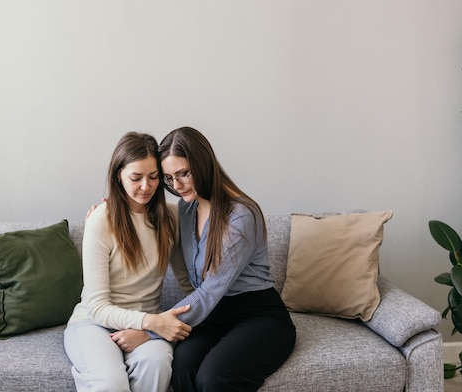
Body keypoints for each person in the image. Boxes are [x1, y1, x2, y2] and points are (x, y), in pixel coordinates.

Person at [158, 126, 296, 392]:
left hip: (259, 316)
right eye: (169, 178)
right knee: (181, 366)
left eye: (184, 173)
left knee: (213, 379)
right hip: (213, 316)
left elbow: (210, 290)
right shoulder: (186, 208)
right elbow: (142, 208)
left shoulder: (241, 215)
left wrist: (150, 328)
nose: (176, 185)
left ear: (203, 163)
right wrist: (106, 209)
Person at [63, 132, 192, 392]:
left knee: (157, 365)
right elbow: (98, 306)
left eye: (154, 177)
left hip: (147, 324)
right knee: (111, 382)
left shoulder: (172, 217)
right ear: (118, 175)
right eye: (136, 177)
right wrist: (152, 322)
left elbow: (186, 283)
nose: (146, 186)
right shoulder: (101, 220)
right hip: (94, 323)